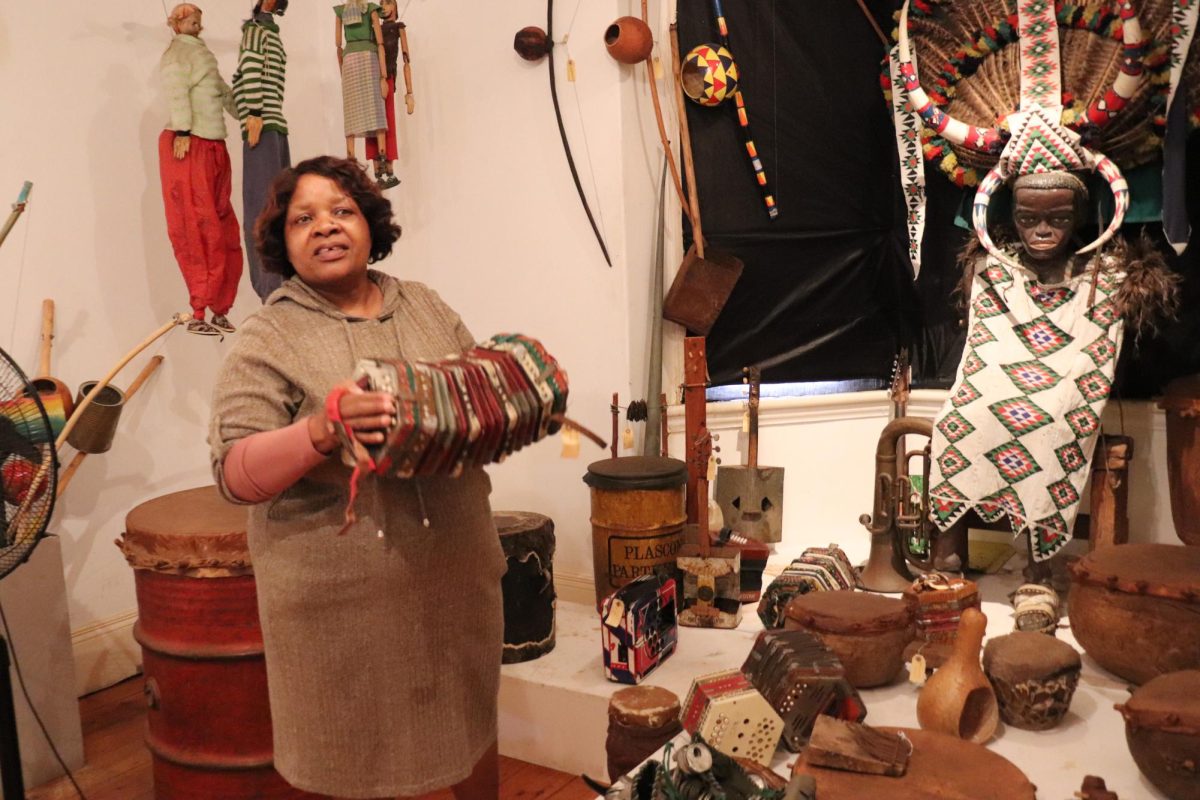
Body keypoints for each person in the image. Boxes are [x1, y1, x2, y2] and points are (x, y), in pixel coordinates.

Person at [208, 156, 503, 799]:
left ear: (370, 225)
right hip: (335, 607)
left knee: (470, 735)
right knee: (341, 758)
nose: (325, 227)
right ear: (282, 243)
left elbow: (484, 401)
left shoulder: (424, 305)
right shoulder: (269, 334)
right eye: (302, 219)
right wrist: (321, 431)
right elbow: (234, 474)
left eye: (342, 211)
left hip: (454, 581)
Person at [158, 3, 242, 336]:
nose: (196, 25)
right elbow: (176, 92)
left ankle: (220, 305)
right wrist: (181, 131)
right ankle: (198, 307)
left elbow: (220, 90)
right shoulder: (176, 55)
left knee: (222, 226)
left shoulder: (200, 52)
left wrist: (246, 112)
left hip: (213, 144)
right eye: (190, 20)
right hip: (190, 144)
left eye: (198, 20)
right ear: (177, 24)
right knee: (194, 225)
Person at [233, 0, 291, 302]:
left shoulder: (269, 31)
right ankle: (271, 288)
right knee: (262, 206)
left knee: (281, 204)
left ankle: (284, 282)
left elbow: (244, 75)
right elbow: (249, 71)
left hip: (274, 124)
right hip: (263, 125)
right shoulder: (255, 31)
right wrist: (252, 113)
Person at [363, 0, 414, 189]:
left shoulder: (398, 28)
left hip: (388, 78)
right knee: (373, 124)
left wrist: (410, 92)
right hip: (373, 77)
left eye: (388, 3)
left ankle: (389, 169)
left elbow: (406, 59)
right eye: (381, 3)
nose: (383, 7)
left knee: (388, 122)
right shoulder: (373, 28)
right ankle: (377, 170)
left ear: (395, 7)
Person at [335, 1, 390, 164]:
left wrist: (342, 71)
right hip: (368, 57)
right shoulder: (370, 9)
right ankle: (381, 154)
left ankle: (351, 156)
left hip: (350, 60)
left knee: (353, 109)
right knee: (375, 107)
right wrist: (383, 76)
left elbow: (338, 46)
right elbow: (380, 43)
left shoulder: (341, 11)